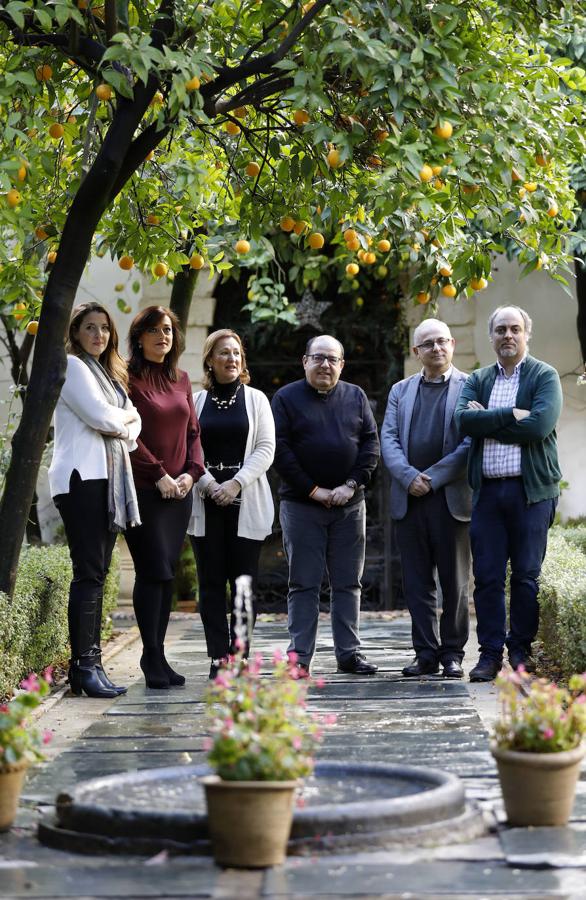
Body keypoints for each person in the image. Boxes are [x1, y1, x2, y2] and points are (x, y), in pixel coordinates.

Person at [455, 305, 562, 682]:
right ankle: (489, 655)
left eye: (515, 328)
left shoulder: (545, 376)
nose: (507, 336)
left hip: (531, 493)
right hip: (488, 494)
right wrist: (512, 414)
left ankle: (520, 652)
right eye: (500, 329)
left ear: (526, 334)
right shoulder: (480, 379)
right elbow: (463, 421)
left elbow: (538, 427)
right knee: (486, 577)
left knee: (526, 576)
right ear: (491, 336)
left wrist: (489, 418)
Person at [271, 334, 380, 676]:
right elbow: (280, 450)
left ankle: (349, 654)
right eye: (318, 358)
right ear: (305, 361)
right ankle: (298, 658)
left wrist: (350, 485)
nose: (325, 365)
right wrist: (313, 490)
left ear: (342, 365)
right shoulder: (286, 398)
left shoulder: (356, 396)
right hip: (302, 506)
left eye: (332, 359)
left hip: (349, 505)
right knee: (303, 583)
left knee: (348, 582)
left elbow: (370, 445)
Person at [49, 302, 141, 698]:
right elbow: (103, 418)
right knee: (89, 573)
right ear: (75, 332)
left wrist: (120, 421)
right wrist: (121, 421)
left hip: (105, 479)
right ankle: (83, 667)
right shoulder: (73, 368)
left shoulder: (109, 375)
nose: (99, 335)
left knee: (98, 573)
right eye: (90, 327)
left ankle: (91, 663)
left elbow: (133, 423)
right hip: (81, 478)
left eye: (104, 328)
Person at [381, 319, 472, 679]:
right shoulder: (399, 390)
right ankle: (425, 654)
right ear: (415, 351)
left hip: (450, 499)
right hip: (410, 500)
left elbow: (469, 444)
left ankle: (452, 653)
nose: (436, 349)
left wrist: (431, 479)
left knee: (455, 583)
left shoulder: (470, 386)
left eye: (441, 342)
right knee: (417, 584)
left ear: (451, 344)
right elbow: (388, 439)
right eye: (427, 344)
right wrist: (407, 477)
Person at [188, 329, 275, 679]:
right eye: (224, 353)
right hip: (206, 502)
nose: (232, 359)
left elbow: (266, 448)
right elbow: (188, 449)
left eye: (237, 353)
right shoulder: (195, 402)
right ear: (210, 359)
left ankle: (239, 655)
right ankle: (217, 657)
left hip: (245, 501)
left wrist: (236, 483)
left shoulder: (256, 400)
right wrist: (209, 484)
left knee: (243, 584)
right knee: (210, 583)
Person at [125, 306, 204, 689]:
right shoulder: (126, 377)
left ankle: (157, 655)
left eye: (169, 330)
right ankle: (150, 656)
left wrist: (191, 473)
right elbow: (128, 435)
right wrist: (159, 475)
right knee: (152, 570)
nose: (163, 336)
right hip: (144, 489)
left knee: (166, 575)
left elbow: (193, 432)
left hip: (180, 492)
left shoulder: (181, 378)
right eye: (155, 330)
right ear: (139, 336)